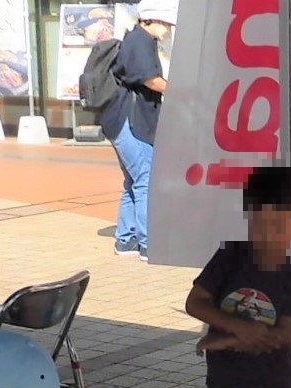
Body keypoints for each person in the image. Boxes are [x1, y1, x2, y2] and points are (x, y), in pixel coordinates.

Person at [186, 167, 291, 388]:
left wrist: (227, 340)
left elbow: (285, 334)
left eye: (278, 226)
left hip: (272, 387)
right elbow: (195, 303)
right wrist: (239, 327)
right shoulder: (230, 255)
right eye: (259, 224)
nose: (267, 235)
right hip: (224, 382)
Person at [102, 0, 175, 259]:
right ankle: (147, 243)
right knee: (146, 180)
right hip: (131, 121)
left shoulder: (139, 40)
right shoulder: (140, 41)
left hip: (121, 121)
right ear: (153, 19)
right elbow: (149, 79)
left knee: (134, 181)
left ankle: (126, 240)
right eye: (166, 23)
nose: (169, 29)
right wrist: (180, 90)